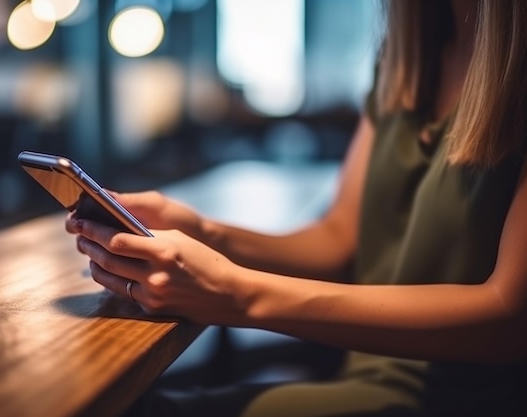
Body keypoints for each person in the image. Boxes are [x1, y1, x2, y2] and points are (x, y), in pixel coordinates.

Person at [66, 0, 527, 415]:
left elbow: (510, 319)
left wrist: (239, 295)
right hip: (363, 382)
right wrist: (203, 231)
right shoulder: (408, 56)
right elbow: (340, 241)